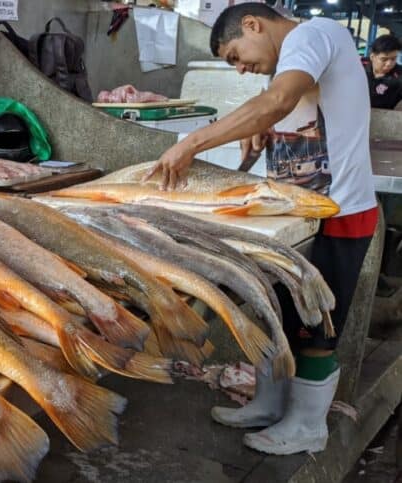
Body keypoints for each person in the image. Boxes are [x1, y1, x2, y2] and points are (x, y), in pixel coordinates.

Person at [147, 3, 378, 455]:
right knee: (277, 314)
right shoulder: (290, 62)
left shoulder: (313, 34)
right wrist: (266, 133)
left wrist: (193, 143)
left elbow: (278, 101)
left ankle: (307, 426)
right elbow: (283, 108)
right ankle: (270, 406)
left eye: (236, 55)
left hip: (338, 213)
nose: (240, 69)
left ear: (253, 24)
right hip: (296, 217)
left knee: (316, 326)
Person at [365, 34, 402, 110]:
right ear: (372, 57)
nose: (389, 64)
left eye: (393, 59)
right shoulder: (359, 68)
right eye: (384, 59)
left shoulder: (399, 76)